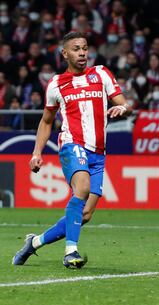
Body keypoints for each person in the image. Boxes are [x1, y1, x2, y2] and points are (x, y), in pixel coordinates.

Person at [12, 32, 132, 269]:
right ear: (65, 54)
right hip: (72, 144)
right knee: (83, 188)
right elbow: (47, 121)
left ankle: (33, 243)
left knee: (85, 215)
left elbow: (123, 103)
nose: (82, 53)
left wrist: (124, 109)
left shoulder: (101, 73)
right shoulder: (56, 84)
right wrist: (37, 152)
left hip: (99, 152)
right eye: (76, 49)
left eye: (85, 48)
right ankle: (70, 252)